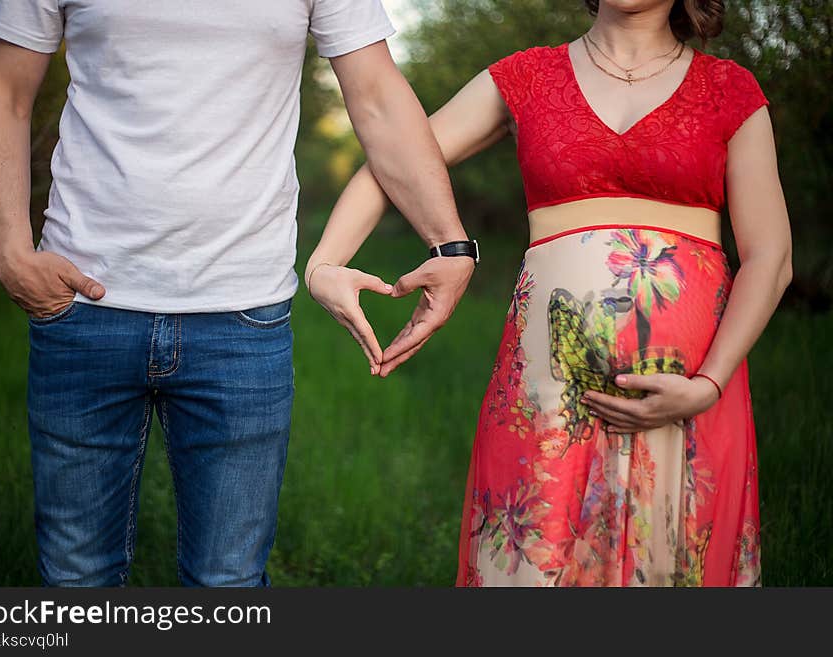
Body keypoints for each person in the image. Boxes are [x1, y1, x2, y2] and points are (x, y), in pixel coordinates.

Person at [0, 0, 475, 587]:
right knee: (76, 577)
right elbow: (3, 88)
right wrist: (7, 248)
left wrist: (449, 244)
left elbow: (378, 96)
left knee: (227, 583)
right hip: (82, 308)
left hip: (242, 318)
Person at [307, 0, 792, 586]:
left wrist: (707, 384)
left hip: (688, 391)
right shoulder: (527, 76)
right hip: (545, 396)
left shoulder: (729, 90)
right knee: (537, 569)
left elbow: (771, 257)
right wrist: (326, 261)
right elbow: (393, 157)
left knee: (672, 565)